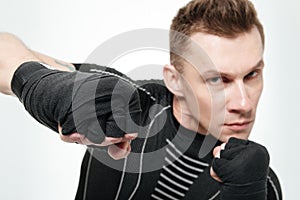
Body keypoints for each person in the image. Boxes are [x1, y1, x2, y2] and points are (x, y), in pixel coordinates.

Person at [0, 0, 282, 199]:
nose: (244, 104)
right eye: (217, 80)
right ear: (174, 80)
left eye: (252, 74)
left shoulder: (258, 183)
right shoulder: (128, 104)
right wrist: (44, 87)